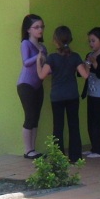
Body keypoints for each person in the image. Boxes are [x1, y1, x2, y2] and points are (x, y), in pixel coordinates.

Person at [36, 25, 89, 163]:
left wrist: (38, 62)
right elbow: (85, 75)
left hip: (57, 97)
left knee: (58, 127)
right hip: (72, 95)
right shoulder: (75, 57)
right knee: (74, 125)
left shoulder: (52, 58)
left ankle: (58, 157)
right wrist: (87, 64)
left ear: (55, 41)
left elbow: (42, 75)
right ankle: (75, 157)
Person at [16, 14, 46, 159]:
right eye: (36, 27)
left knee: (36, 117)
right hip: (26, 84)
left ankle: (33, 148)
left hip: (38, 85)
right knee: (29, 116)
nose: (40, 30)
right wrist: (39, 56)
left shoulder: (42, 47)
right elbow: (26, 62)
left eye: (41, 27)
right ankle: (27, 149)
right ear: (28, 30)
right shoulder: (26, 44)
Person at [82, 25, 100, 158]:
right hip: (91, 93)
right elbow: (83, 73)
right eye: (90, 41)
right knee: (90, 121)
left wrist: (94, 63)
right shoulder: (89, 55)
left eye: (93, 40)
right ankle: (94, 147)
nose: (91, 43)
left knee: (98, 121)